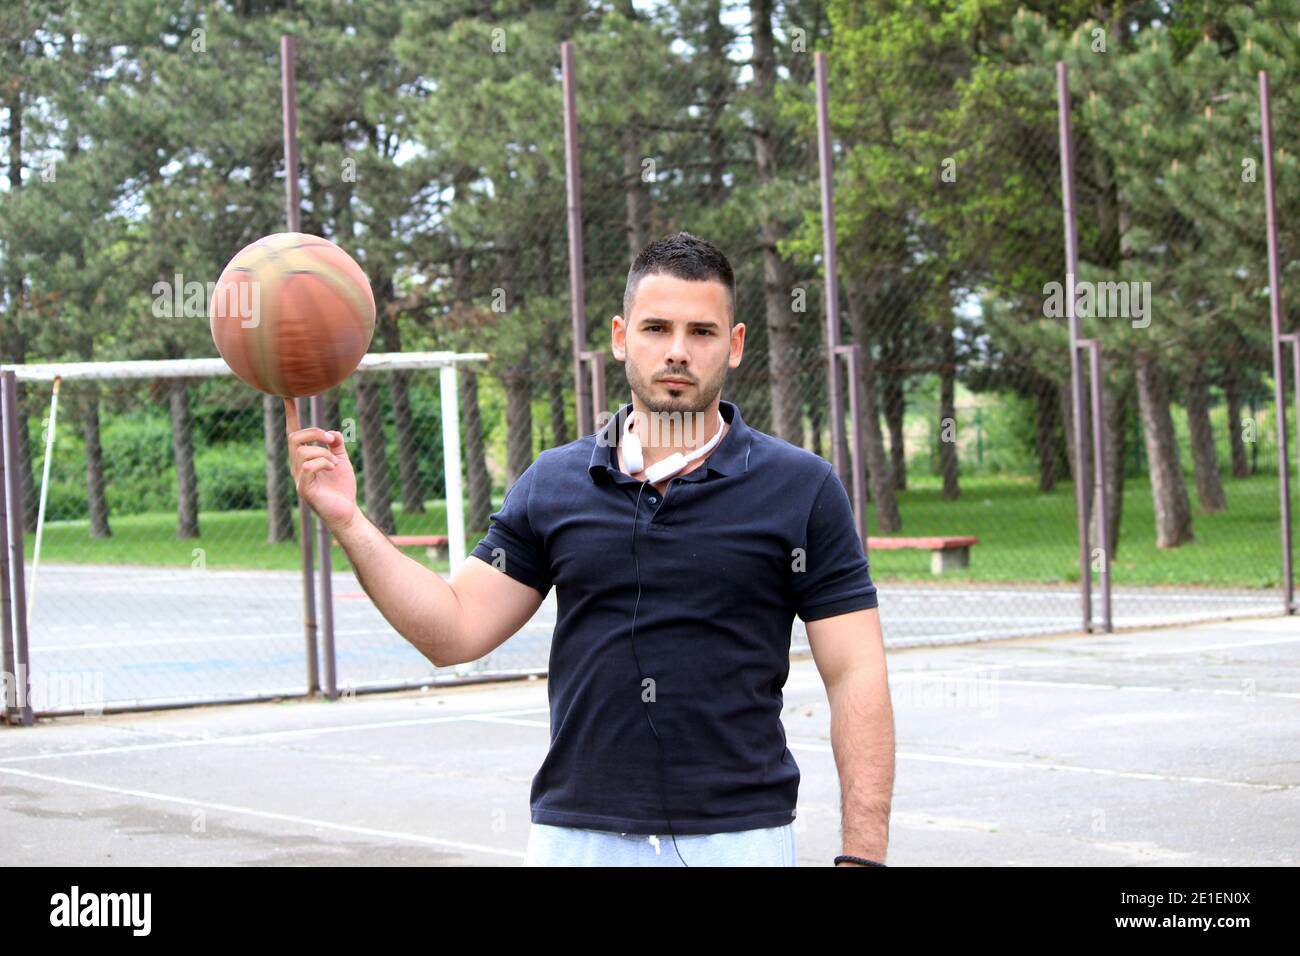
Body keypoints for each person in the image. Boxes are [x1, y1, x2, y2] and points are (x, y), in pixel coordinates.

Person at [285, 232, 895, 867]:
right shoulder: (554, 483)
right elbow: (453, 630)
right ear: (620, 337)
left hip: (740, 839)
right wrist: (349, 520)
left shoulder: (801, 487)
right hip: (579, 839)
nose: (678, 352)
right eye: (656, 327)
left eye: (702, 332)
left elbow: (856, 673)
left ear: (735, 344)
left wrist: (864, 857)